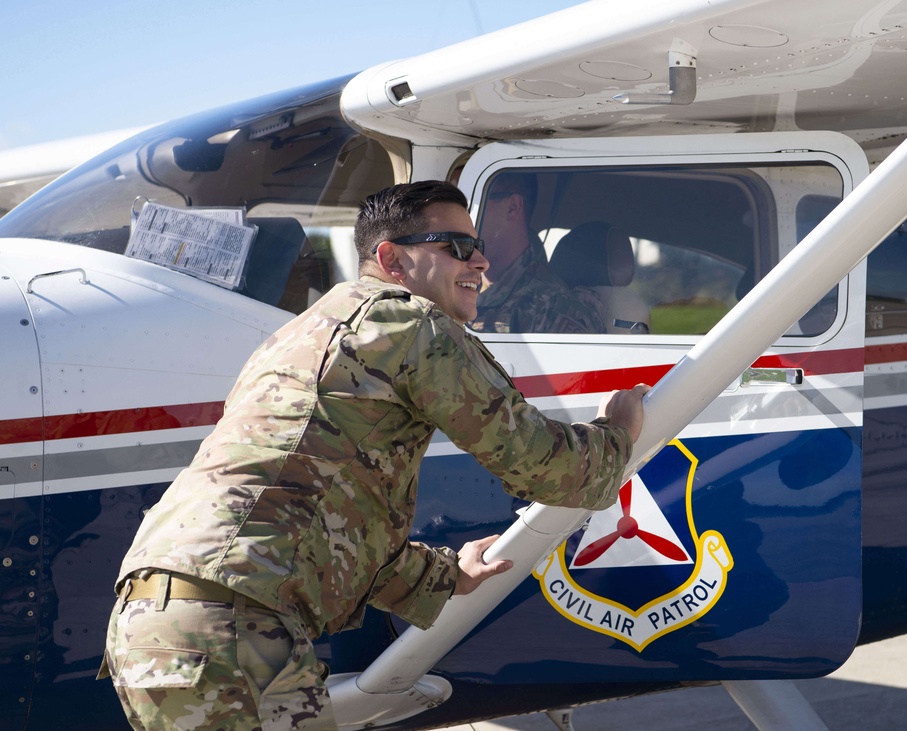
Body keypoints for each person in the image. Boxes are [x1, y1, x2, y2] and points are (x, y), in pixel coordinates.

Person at [100, 180, 648, 731]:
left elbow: (315, 513)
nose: (480, 260)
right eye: (456, 246)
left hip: (158, 618)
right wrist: (618, 432)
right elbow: (543, 467)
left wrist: (443, 574)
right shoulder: (412, 324)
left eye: (477, 245)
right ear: (392, 259)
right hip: (234, 625)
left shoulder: (300, 333)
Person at [468, 173, 607, 334]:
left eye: (474, 203)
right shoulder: (460, 286)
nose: (463, 215)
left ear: (512, 207)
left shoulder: (552, 306)